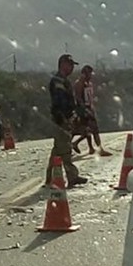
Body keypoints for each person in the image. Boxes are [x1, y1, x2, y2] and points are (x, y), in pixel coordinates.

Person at [46, 54, 88, 187]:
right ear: (63, 64)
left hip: (66, 118)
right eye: (70, 65)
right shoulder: (58, 81)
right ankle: (71, 176)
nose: (71, 68)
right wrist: (65, 118)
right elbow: (60, 102)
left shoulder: (64, 80)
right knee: (64, 150)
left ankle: (51, 178)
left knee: (58, 149)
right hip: (61, 119)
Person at [72, 65, 113, 157]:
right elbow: (78, 97)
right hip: (83, 109)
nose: (90, 75)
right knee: (92, 129)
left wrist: (92, 107)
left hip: (88, 108)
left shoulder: (89, 83)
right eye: (88, 73)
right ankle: (99, 149)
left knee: (86, 130)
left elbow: (90, 97)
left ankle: (88, 147)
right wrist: (84, 108)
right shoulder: (79, 83)